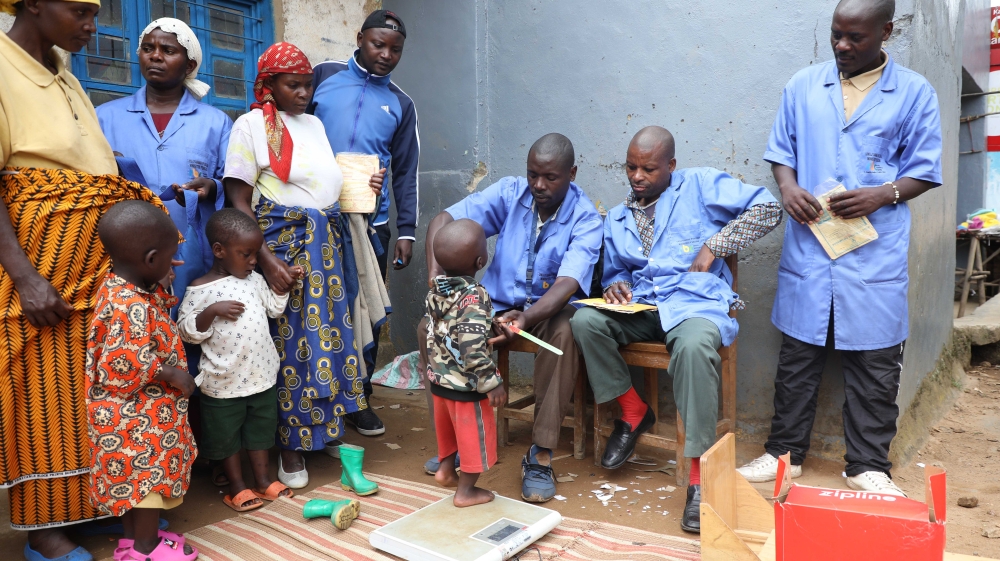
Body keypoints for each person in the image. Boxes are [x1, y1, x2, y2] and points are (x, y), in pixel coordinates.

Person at [738, 0, 942, 497]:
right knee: (798, 356)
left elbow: (924, 169)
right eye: (836, 35)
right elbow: (781, 153)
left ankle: (867, 465)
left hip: (874, 251)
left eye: (856, 38)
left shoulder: (914, 93)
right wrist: (787, 189)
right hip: (812, 245)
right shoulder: (804, 85)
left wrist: (883, 193)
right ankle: (784, 453)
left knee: (875, 361)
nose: (842, 47)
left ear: (886, 32)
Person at [0, 2, 173, 559]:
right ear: (32, 4)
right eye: (80, 11)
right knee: (41, 395)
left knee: (90, 392)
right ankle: (45, 531)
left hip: (91, 267)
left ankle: (87, 505)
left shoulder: (66, 75)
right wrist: (25, 276)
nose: (92, 26)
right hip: (40, 266)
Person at [570, 126, 781, 534]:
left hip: (694, 303)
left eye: (648, 168)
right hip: (645, 305)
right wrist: (617, 285)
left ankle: (699, 482)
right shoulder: (616, 218)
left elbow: (769, 209)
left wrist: (715, 245)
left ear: (671, 165)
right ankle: (633, 413)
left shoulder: (699, 185)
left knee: (696, 346)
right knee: (585, 320)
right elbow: (617, 272)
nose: (637, 176)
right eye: (631, 167)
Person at [224, 42, 383, 491]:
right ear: (268, 85)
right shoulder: (251, 125)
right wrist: (267, 261)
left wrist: (363, 184)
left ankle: (324, 428)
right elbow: (238, 201)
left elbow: (324, 184)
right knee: (292, 344)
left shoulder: (312, 124)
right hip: (283, 246)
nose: (304, 92)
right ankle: (291, 444)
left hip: (327, 247)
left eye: (309, 84)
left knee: (331, 336)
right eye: (293, 84)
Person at [421, 133, 602, 503]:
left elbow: (568, 282)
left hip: (546, 311)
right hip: (493, 306)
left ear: (572, 173)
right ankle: (453, 445)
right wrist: (437, 277)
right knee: (429, 328)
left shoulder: (586, 217)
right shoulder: (510, 193)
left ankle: (540, 452)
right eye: (532, 173)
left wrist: (525, 318)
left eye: (550, 177)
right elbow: (445, 219)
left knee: (565, 333)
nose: (538, 184)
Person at [309, 9, 420, 437]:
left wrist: (406, 230)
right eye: (378, 44)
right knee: (321, 305)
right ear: (359, 38)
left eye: (395, 49)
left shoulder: (401, 103)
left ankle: (359, 400)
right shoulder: (323, 76)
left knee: (367, 310)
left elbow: (405, 171)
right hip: (317, 217)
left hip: (372, 224)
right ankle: (320, 394)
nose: (386, 55)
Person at [97, 18, 232, 320]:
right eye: (148, 48)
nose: (155, 56)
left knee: (197, 332)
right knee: (134, 338)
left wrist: (211, 187)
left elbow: (231, 185)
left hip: (195, 255)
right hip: (127, 256)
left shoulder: (215, 122)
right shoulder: (105, 118)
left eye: (168, 50)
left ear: (189, 65)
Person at [86, 200, 198, 561]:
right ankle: (148, 549)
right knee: (148, 480)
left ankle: (130, 544)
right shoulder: (129, 304)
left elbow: (151, 311)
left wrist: (162, 279)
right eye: (169, 257)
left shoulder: (122, 288)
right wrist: (173, 374)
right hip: (138, 421)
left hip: (131, 417)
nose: (173, 263)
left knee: (135, 487)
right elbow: (122, 361)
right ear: (150, 259)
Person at [177, 209, 295, 512]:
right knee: (226, 439)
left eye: (256, 253)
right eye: (246, 254)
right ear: (219, 251)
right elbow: (187, 332)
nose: (254, 261)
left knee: (260, 434)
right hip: (223, 382)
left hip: (261, 378)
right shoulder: (199, 288)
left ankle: (264, 480)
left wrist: (284, 286)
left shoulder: (254, 280)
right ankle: (237, 487)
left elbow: (273, 309)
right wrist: (211, 310)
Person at [425, 219, 507, 507]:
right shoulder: (475, 296)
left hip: (440, 381)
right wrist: (491, 382)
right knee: (475, 438)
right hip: (466, 386)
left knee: (448, 432)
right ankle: (465, 492)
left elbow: (450, 327)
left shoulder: (437, 289)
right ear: (480, 260)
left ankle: (445, 469)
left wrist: (487, 324)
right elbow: (472, 348)